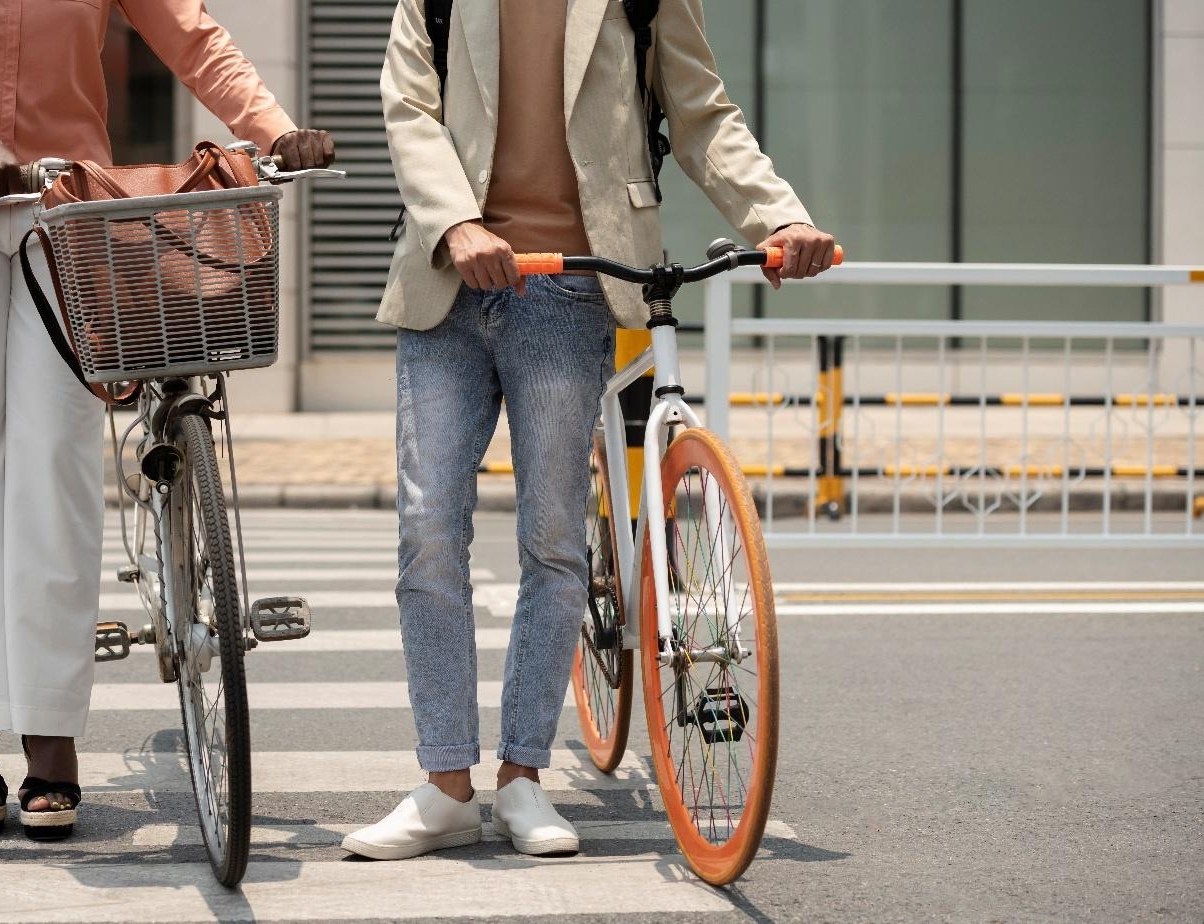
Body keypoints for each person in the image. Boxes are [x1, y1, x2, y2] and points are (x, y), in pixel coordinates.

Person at [343, 0, 836, 860]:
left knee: (556, 540)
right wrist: (457, 222)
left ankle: (524, 777)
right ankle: (445, 785)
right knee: (426, 530)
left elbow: (703, 111)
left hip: (574, 284)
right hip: (446, 285)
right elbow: (408, 106)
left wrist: (778, 216)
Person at [0, 0, 334, 840]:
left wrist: (275, 126)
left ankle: (51, 734)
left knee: (57, 470)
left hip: (67, 212)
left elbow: (189, 33)